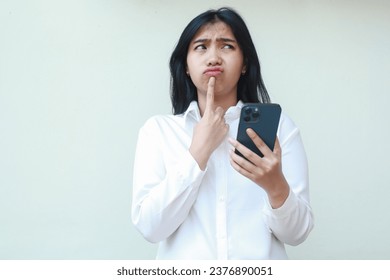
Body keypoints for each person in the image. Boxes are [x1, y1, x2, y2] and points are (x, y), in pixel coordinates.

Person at [132, 7, 314, 259]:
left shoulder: (279, 128)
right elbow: (150, 227)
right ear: (185, 65)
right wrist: (198, 153)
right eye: (201, 47)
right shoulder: (159, 132)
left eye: (227, 46)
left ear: (244, 64)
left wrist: (276, 186)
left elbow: (297, 233)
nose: (214, 57)